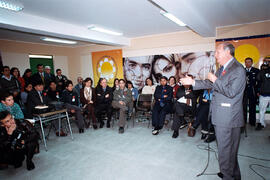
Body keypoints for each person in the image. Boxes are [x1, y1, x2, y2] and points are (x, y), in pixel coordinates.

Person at [180, 42, 246, 180]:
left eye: (218, 52)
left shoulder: (238, 69)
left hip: (228, 118)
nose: (215, 55)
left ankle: (228, 176)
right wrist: (193, 82)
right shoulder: (222, 68)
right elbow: (210, 84)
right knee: (229, 152)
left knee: (225, 152)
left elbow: (231, 92)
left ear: (228, 52)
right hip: (221, 116)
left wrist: (215, 79)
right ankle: (235, 176)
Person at [243, 57, 260, 127]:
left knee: (252, 107)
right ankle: (243, 122)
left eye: (249, 62)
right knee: (243, 107)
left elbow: (259, 82)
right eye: (246, 62)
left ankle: (252, 122)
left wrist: (258, 91)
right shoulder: (242, 70)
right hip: (244, 92)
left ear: (252, 63)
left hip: (253, 91)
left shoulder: (256, 71)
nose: (247, 63)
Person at [256, 56, 270, 130]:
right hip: (264, 93)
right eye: (266, 61)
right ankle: (261, 123)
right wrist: (262, 70)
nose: (267, 63)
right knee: (262, 110)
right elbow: (258, 80)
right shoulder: (262, 71)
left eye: (269, 61)